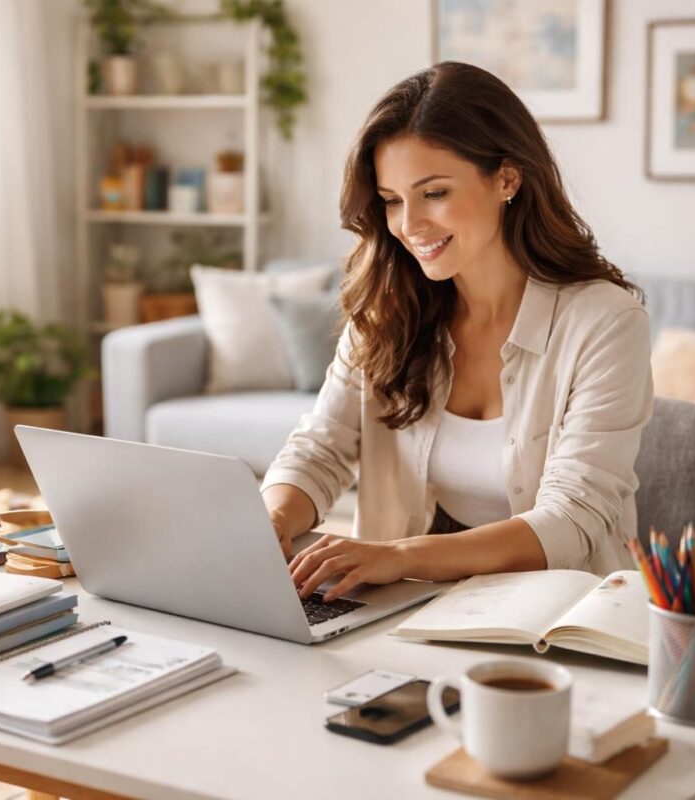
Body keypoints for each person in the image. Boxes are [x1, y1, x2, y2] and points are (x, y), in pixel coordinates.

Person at [261, 62, 653, 603]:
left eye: (435, 193)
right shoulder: (387, 306)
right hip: (407, 605)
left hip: (558, 612)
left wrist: (396, 557)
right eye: (392, 200)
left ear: (508, 179)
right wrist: (272, 520)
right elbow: (321, 450)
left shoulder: (604, 322)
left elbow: (571, 520)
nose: (409, 225)